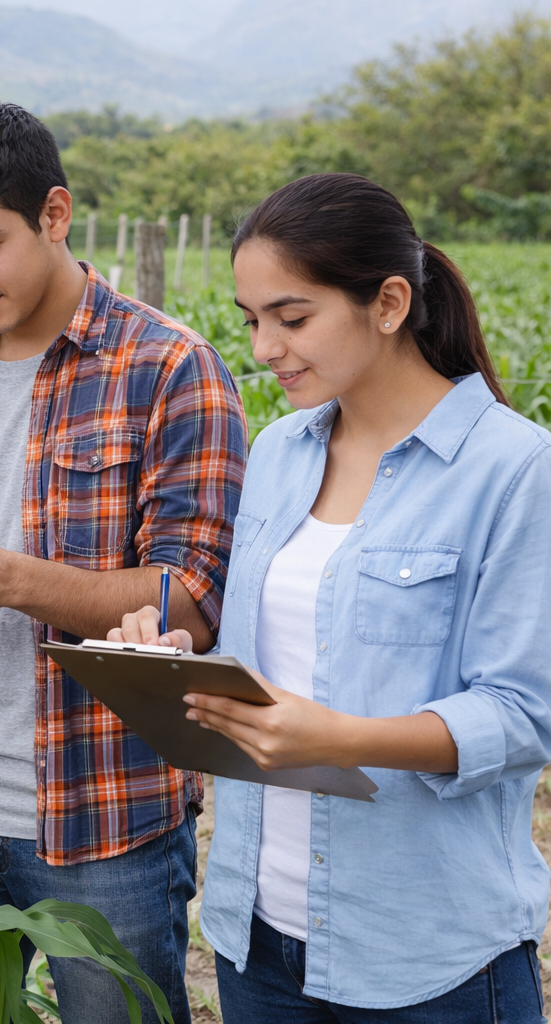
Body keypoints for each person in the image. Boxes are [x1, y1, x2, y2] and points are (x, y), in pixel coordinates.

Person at [111, 172, 551, 1021]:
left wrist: (340, 737)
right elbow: (267, 647)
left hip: (425, 948)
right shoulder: (276, 450)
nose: (265, 346)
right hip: (257, 934)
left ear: (389, 303)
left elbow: (525, 715)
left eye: (293, 317)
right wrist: (179, 659)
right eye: (252, 322)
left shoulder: (515, 468)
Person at [0, 101, 247, 1021]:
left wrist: (11, 581)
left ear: (55, 214)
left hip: (104, 807)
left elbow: (190, 603)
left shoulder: (170, 368)